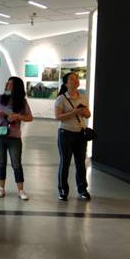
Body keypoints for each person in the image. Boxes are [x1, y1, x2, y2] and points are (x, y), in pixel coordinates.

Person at [0, 77, 33, 199]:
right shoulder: (0, 98)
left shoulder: (22, 102)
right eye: (7, 83)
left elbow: (30, 117)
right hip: (0, 135)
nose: (7, 85)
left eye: (10, 84)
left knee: (16, 163)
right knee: (1, 162)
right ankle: (1, 188)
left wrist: (18, 117)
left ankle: (21, 190)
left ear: (16, 87)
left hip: (14, 137)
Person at [54, 72, 92, 201]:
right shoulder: (61, 99)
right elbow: (58, 117)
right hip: (65, 133)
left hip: (80, 133)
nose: (76, 80)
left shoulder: (83, 97)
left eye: (77, 78)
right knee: (65, 162)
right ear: (66, 83)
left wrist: (84, 112)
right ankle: (63, 190)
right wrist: (74, 112)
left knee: (81, 163)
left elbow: (88, 115)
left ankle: (82, 189)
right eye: (72, 79)